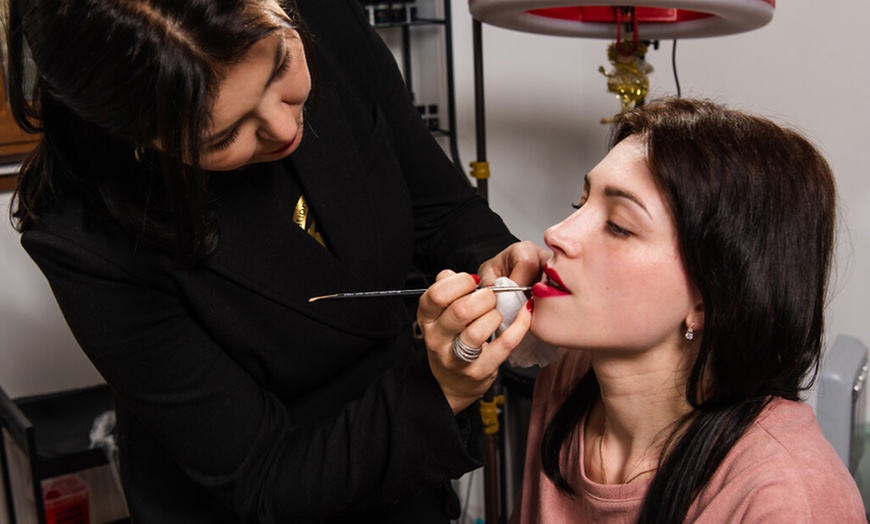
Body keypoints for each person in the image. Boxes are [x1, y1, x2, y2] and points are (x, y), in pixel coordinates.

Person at [4, 0, 544, 521]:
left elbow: (439, 207)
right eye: (221, 135)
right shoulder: (86, 239)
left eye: (281, 66)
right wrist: (440, 392)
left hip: (405, 475)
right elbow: (266, 477)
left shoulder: (323, 17)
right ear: (140, 139)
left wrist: (491, 262)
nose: (287, 130)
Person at [511, 97, 866, 523]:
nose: (557, 234)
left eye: (619, 225)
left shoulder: (787, 495)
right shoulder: (566, 378)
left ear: (711, 300)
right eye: (579, 204)